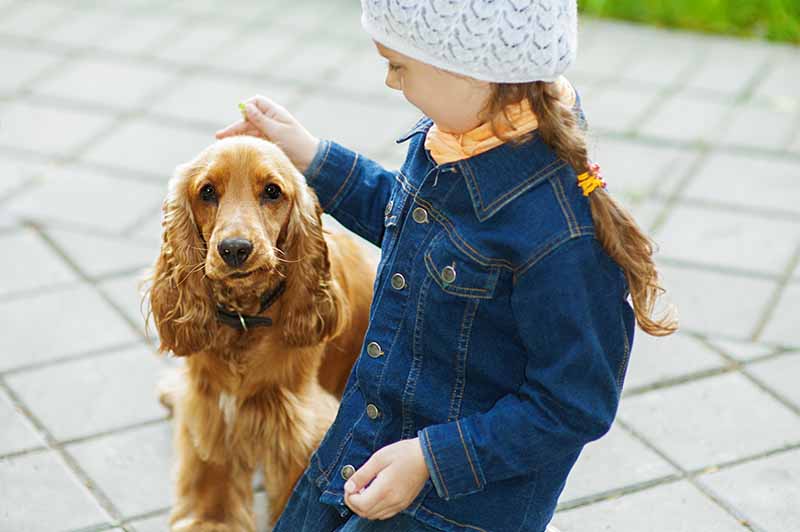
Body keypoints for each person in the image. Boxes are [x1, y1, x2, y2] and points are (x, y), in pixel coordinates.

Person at [216, 1, 677, 531]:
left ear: (471, 68)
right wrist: (313, 156)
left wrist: (431, 460)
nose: (391, 81)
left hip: (453, 507)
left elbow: (575, 404)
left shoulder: (563, 237)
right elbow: (410, 221)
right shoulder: (455, 134)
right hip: (367, 443)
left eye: (399, 65)